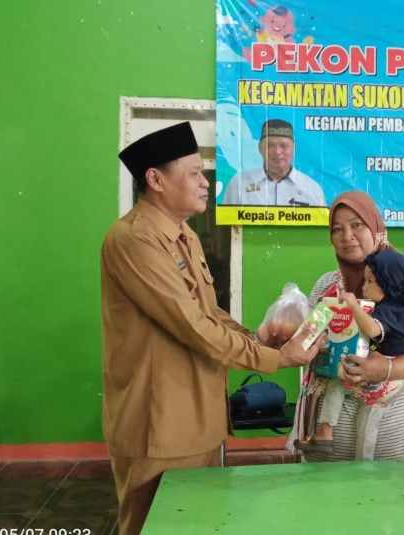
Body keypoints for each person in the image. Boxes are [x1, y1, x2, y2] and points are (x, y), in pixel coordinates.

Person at [104, 122, 322, 534]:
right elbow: (189, 325)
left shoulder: (184, 235)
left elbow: (208, 312)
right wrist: (275, 358)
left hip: (199, 416)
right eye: (192, 172)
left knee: (196, 523)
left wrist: (254, 337)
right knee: (151, 525)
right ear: (155, 179)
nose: (206, 182)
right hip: (158, 424)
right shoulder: (134, 240)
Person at [289, 191, 404, 460]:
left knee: (390, 498)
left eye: (357, 225)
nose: (347, 236)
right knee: (328, 499)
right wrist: (312, 345)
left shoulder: (402, 280)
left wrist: (389, 368)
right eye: (337, 229)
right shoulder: (327, 286)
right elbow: (306, 338)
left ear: (376, 230)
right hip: (332, 439)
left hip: (390, 426)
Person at [309, 248, 404, 454]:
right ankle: (330, 435)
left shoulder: (387, 311)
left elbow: (373, 330)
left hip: (386, 375)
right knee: (348, 390)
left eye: (371, 282)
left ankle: (328, 433)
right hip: (393, 368)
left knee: (349, 393)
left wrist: (354, 307)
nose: (364, 287)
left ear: (389, 284)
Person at [221, 119, 326, 206]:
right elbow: (226, 226)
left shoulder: (312, 189)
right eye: (270, 145)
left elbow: (319, 230)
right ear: (260, 148)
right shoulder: (238, 184)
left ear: (294, 148)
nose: (277, 152)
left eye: (284, 146)